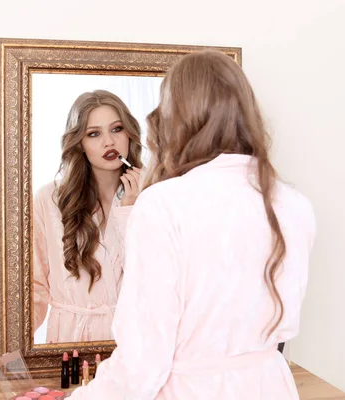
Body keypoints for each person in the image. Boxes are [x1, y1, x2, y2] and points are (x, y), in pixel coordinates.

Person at [68, 51, 316, 399]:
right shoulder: (293, 205)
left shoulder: (163, 205)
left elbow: (142, 363)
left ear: (175, 118)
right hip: (270, 386)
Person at [33, 90, 144, 343]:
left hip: (129, 343)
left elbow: (151, 283)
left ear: (129, 134)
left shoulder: (152, 194)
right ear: (79, 143)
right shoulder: (49, 199)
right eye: (94, 134)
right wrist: (13, 353)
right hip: (67, 344)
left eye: (116, 129)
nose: (109, 142)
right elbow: (34, 286)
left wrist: (130, 209)